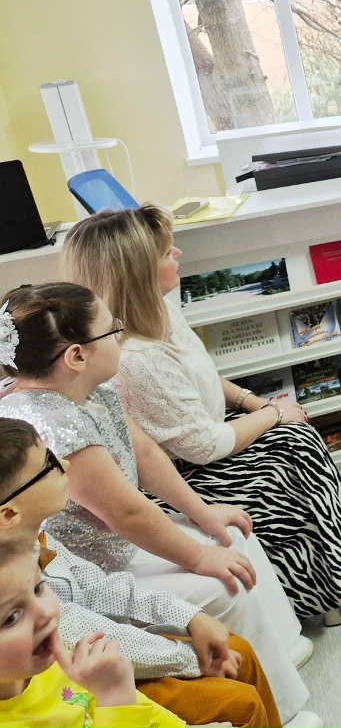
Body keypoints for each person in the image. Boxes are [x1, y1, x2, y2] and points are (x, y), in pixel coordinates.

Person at [61, 207, 341, 626]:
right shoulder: (136, 359)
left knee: (296, 438)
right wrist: (273, 413)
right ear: (138, 273)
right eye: (166, 252)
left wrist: (253, 402)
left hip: (200, 438)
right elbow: (202, 447)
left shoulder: (161, 311)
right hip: (182, 474)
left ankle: (336, 581)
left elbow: (202, 375)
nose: (177, 254)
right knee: (286, 460)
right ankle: (338, 586)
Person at [0, 283, 312, 722]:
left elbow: (144, 453)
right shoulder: (48, 422)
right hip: (104, 555)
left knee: (231, 537)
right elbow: (126, 514)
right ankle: (282, 703)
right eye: (112, 330)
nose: (121, 336)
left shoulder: (94, 388)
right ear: (76, 356)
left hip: (110, 549)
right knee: (222, 583)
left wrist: (202, 514)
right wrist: (198, 556)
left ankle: (279, 652)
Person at [0, 417, 310, 728]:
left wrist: (190, 617)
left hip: (103, 663)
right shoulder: (14, 578)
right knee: (240, 700)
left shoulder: (37, 540)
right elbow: (79, 633)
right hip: (102, 669)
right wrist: (191, 660)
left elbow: (98, 586)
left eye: (39, 589)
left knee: (236, 648)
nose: (64, 465)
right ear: (9, 513)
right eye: (48, 465)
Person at [0, 539, 232, 727]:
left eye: (38, 588)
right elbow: (120, 703)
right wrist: (114, 696)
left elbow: (141, 711)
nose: (46, 612)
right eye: (11, 618)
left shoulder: (47, 665)